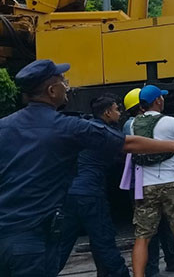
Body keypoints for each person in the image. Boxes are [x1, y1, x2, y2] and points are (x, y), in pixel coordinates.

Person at [0, 59, 174, 277]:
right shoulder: (68, 127)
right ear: (51, 91)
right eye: (63, 82)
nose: (67, 86)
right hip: (31, 242)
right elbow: (126, 144)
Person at [120, 85, 174, 277]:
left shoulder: (131, 125)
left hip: (144, 184)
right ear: (158, 101)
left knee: (142, 236)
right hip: (172, 182)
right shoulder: (173, 122)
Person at [57, 94, 129, 277]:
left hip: (70, 194)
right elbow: (124, 153)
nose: (119, 113)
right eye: (116, 109)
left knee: (61, 246)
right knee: (105, 243)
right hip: (91, 194)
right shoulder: (105, 134)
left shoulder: (84, 129)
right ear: (107, 112)